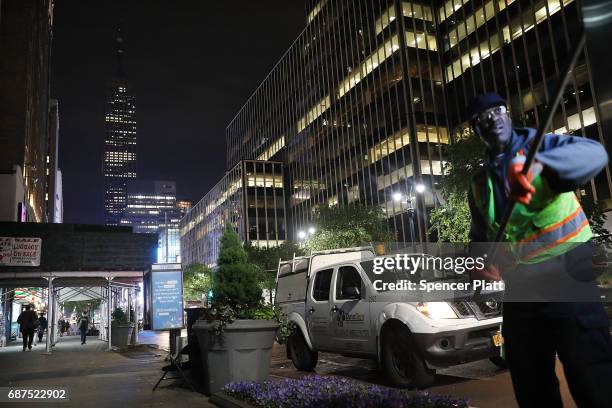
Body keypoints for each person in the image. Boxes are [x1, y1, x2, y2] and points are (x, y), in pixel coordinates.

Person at [466, 92, 612, 407]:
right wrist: (477, 260)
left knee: (592, 377)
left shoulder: (541, 147)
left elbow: (595, 154)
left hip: (567, 275)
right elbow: (479, 235)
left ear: (508, 114)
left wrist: (540, 168)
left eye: (497, 111)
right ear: (476, 130)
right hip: (520, 288)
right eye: (482, 119)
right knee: (529, 380)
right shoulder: (478, 183)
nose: (492, 120)